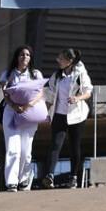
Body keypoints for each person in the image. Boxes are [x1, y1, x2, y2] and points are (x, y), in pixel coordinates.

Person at [42, 48, 94, 189]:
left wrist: (77, 98)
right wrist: (44, 112)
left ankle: (73, 177)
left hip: (77, 115)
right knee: (55, 144)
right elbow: (50, 96)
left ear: (70, 61)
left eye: (61, 59)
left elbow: (88, 92)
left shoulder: (80, 74)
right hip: (59, 114)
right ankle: (49, 176)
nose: (58, 61)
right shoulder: (56, 76)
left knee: (74, 146)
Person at [0, 45, 44, 192]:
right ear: (17, 57)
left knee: (25, 151)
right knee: (13, 148)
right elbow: (5, 92)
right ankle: (11, 182)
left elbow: (41, 93)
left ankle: (24, 178)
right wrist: (13, 104)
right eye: (22, 55)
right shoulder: (8, 73)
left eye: (28, 55)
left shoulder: (35, 74)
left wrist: (29, 105)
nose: (25, 57)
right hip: (11, 112)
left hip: (29, 113)